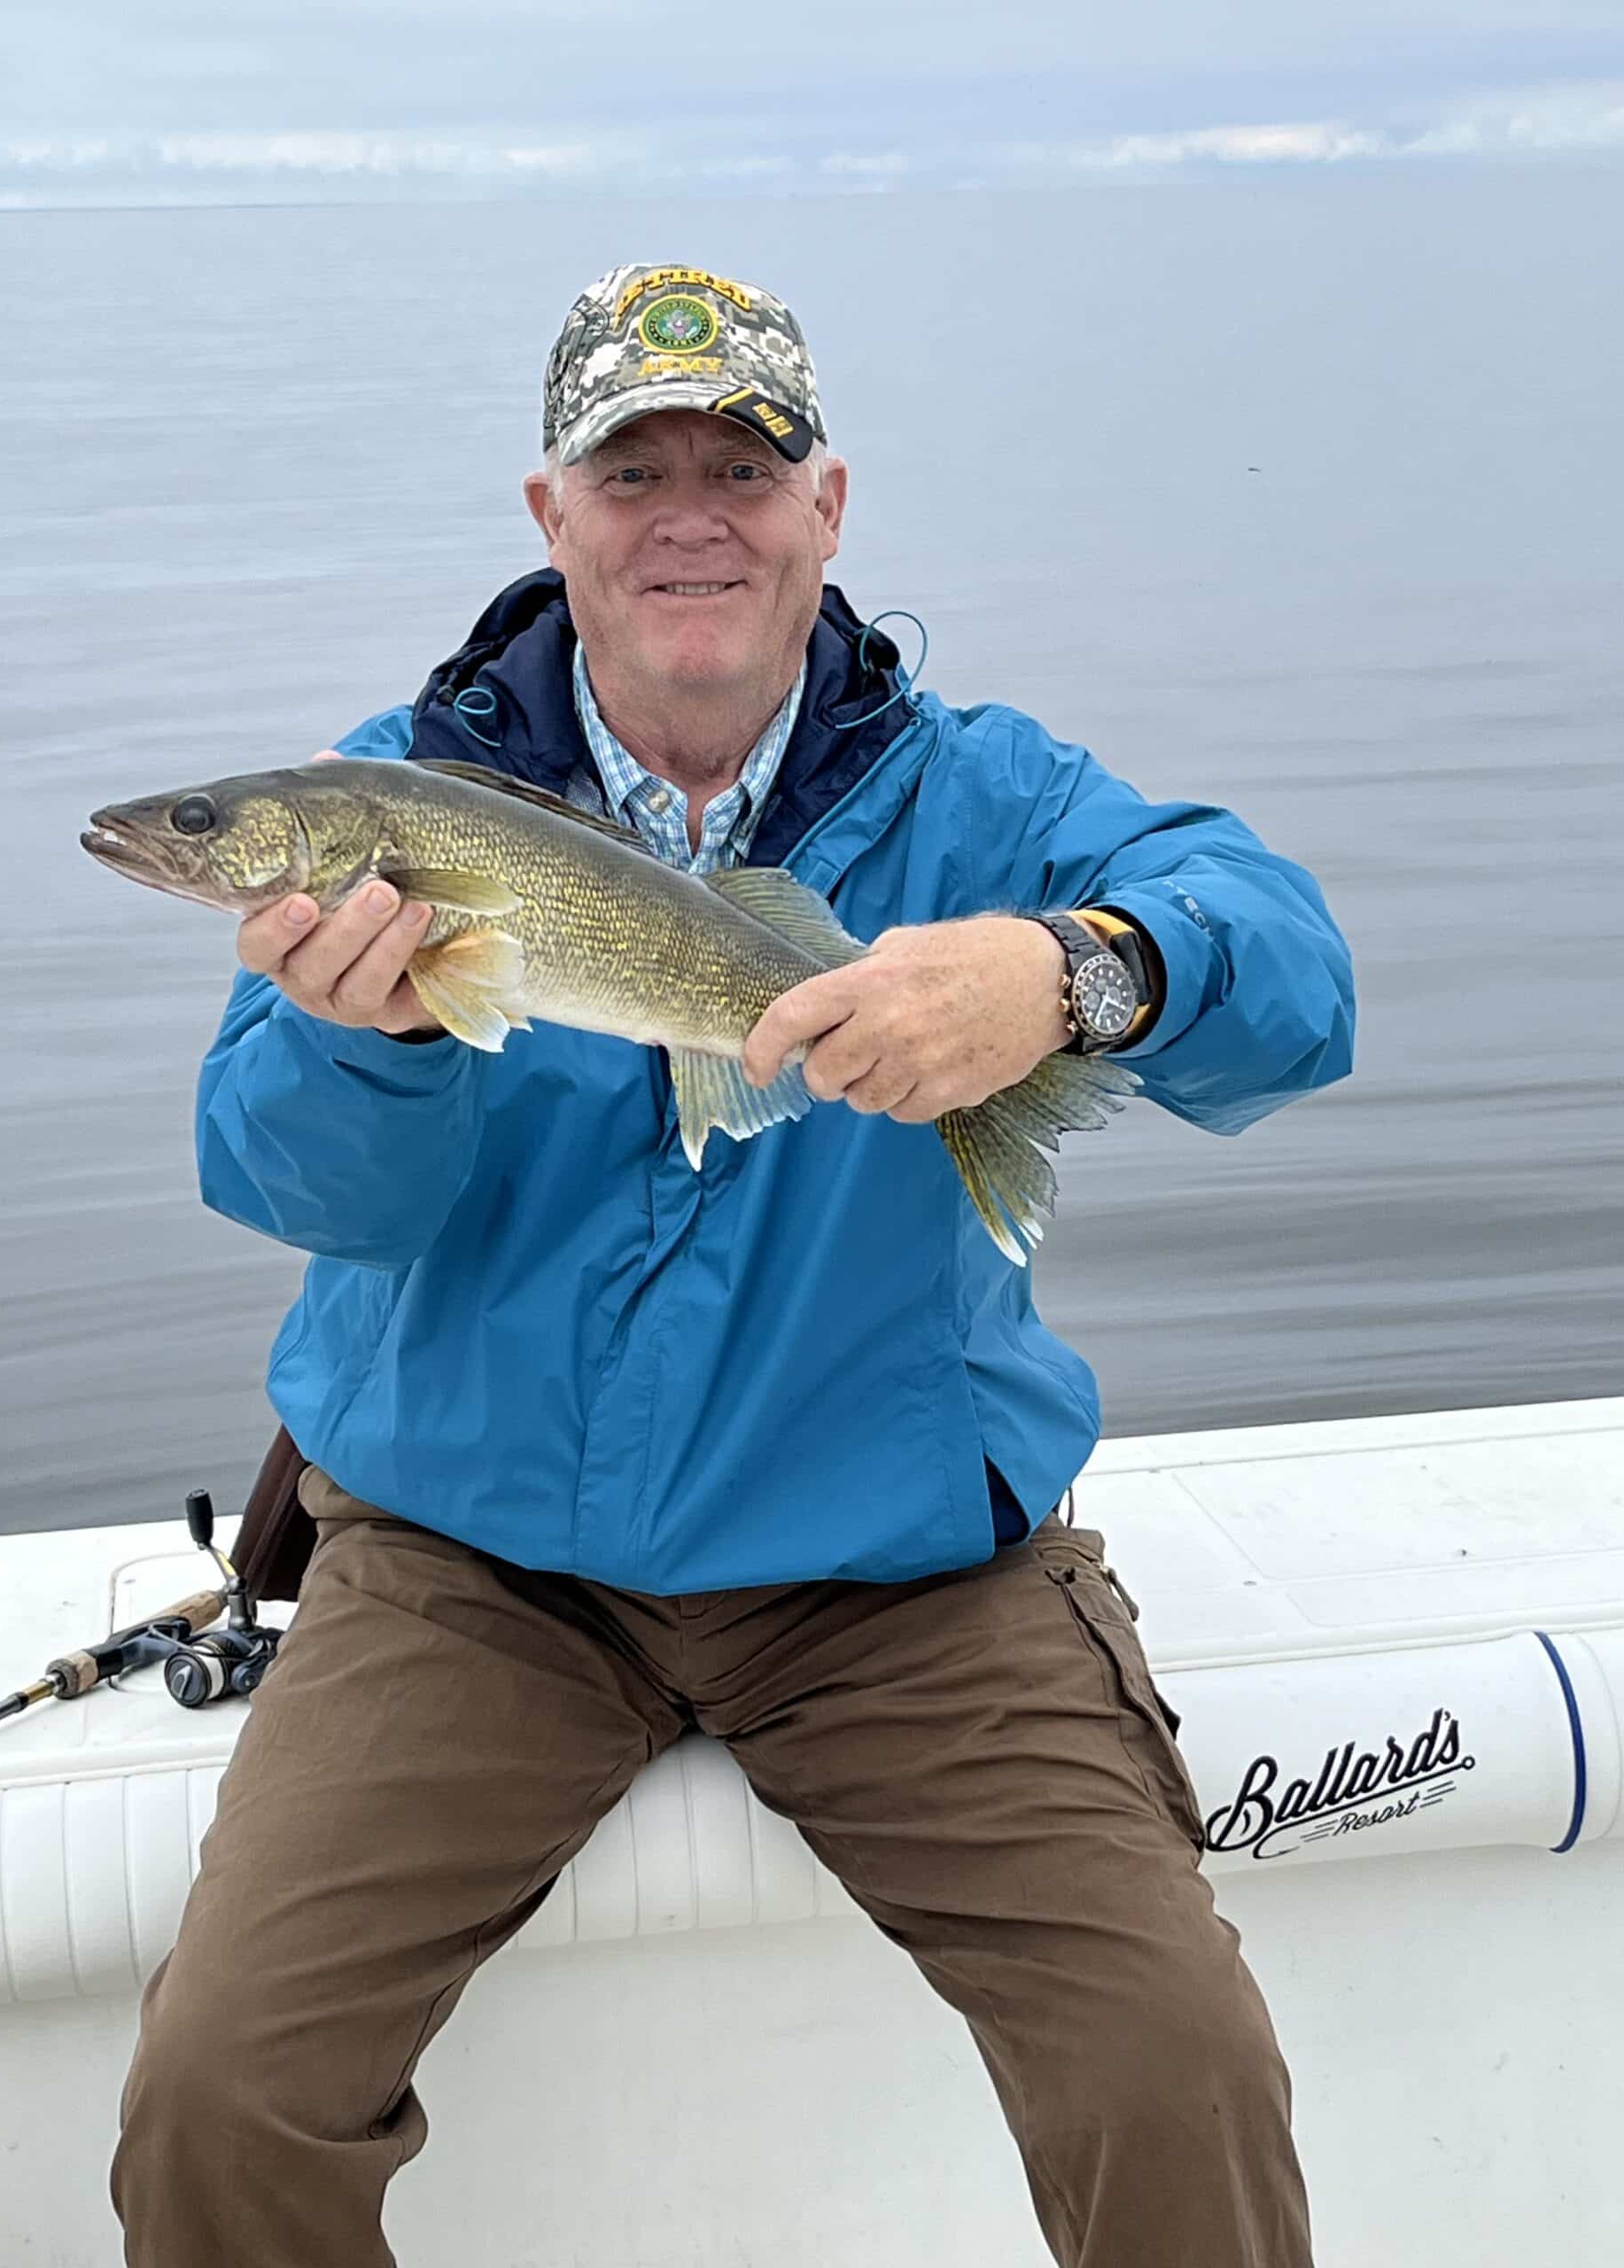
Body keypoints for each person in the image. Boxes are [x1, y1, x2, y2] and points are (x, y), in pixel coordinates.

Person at [112, 262, 1354, 2267]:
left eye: (741, 464)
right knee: (216, 2090)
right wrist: (373, 1028)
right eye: (633, 468)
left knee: (1174, 2064)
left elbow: (1290, 966)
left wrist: (1076, 969)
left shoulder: (991, 799)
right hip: (472, 1559)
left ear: (827, 508)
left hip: (899, 1575)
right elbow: (288, 1183)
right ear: (552, 518)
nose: (691, 509)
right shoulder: (387, 796)